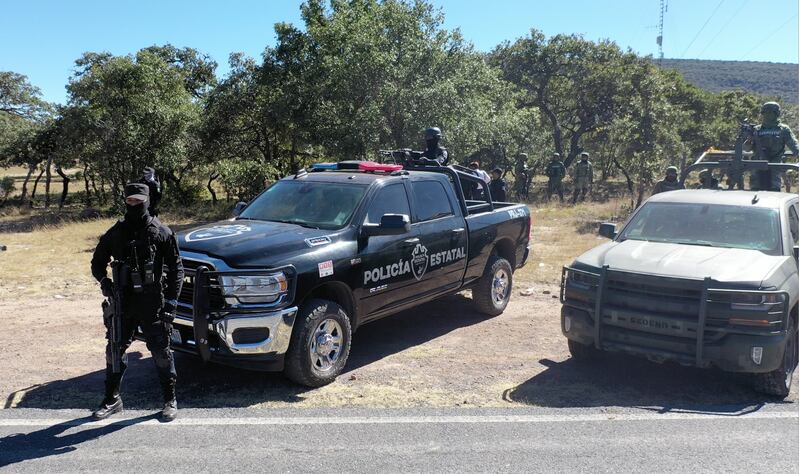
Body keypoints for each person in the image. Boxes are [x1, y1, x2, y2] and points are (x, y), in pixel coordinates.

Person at [90, 183, 184, 421]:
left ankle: (169, 399)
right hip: (123, 303)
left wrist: (172, 302)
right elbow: (97, 262)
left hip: (153, 303)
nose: (134, 205)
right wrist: (105, 282)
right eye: (130, 201)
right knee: (114, 350)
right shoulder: (116, 232)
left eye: (138, 201)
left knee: (161, 352)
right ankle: (112, 399)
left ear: (147, 201)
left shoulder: (161, 232)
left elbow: (177, 269)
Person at [748, 102, 798, 191]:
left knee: (774, 189)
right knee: (755, 188)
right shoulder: (756, 129)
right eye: (766, 112)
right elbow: (746, 148)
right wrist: (749, 138)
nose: (768, 115)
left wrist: (797, 152)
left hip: (775, 163)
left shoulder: (783, 129)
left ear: (776, 114)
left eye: (771, 112)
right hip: (758, 164)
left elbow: (793, 144)